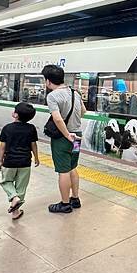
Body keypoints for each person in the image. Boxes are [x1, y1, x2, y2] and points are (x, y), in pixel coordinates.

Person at [42, 64, 86, 213]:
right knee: (73, 166)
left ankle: (65, 204)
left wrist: (67, 134)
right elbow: (83, 111)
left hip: (64, 138)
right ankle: (75, 198)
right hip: (78, 136)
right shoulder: (75, 93)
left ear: (48, 81)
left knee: (63, 170)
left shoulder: (52, 96)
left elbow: (58, 119)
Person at [0, 102, 40, 220]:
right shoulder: (31, 128)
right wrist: (36, 157)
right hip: (25, 162)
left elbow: (2, 146)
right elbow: (33, 145)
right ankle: (15, 212)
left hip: (9, 162)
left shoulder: (7, 128)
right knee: (21, 187)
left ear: (15, 115)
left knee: (6, 181)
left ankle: (13, 197)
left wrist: (0, 161)